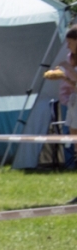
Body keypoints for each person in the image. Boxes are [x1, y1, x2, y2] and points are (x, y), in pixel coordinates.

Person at [44, 26, 77, 169]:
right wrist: (64, 77)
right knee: (73, 134)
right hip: (73, 100)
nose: (68, 46)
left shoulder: (69, 63)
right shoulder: (71, 58)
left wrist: (68, 69)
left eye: (70, 42)